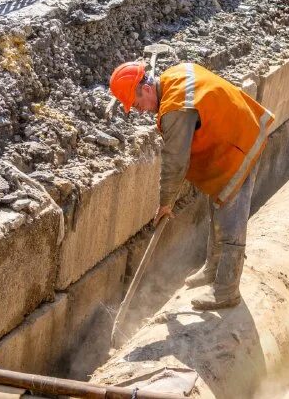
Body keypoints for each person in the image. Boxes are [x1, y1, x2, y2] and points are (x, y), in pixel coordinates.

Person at [109, 61, 275, 310]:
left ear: (144, 88)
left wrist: (165, 202)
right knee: (218, 204)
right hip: (230, 137)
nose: (139, 110)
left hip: (238, 145)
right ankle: (213, 269)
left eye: (136, 103)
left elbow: (175, 161)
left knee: (231, 216)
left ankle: (226, 290)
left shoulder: (174, 107)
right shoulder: (173, 77)